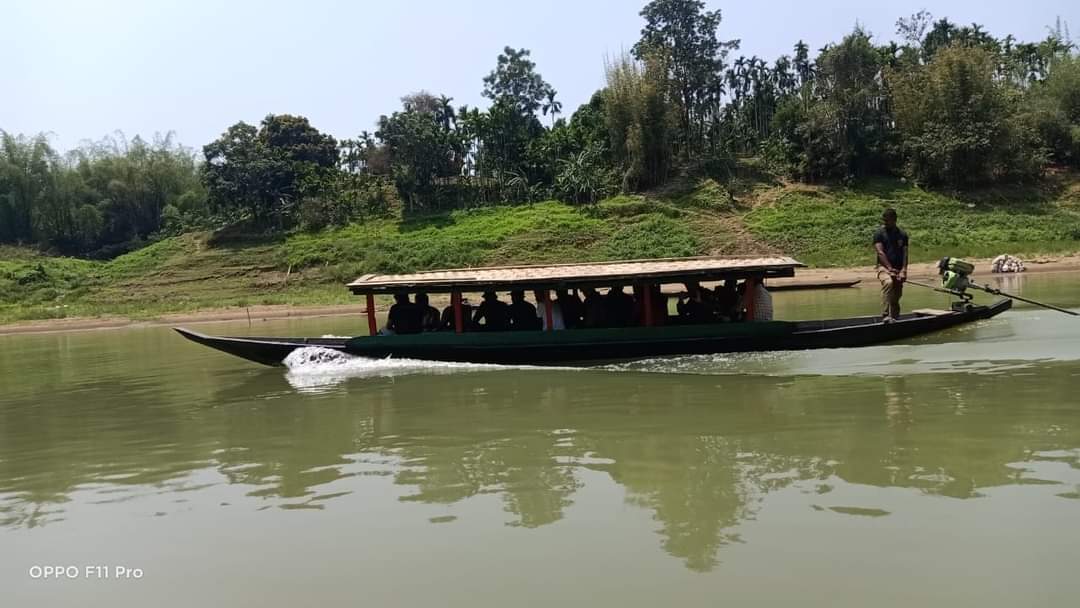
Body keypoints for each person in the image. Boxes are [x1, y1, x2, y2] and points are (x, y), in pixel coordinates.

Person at [873, 208, 909, 321]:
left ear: (894, 220)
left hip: (898, 270)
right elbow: (880, 252)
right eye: (884, 220)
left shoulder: (902, 234)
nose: (885, 222)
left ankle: (895, 317)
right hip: (883, 268)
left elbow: (905, 253)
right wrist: (889, 268)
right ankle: (885, 315)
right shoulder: (879, 233)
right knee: (888, 283)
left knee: (896, 296)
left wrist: (903, 270)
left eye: (887, 220)